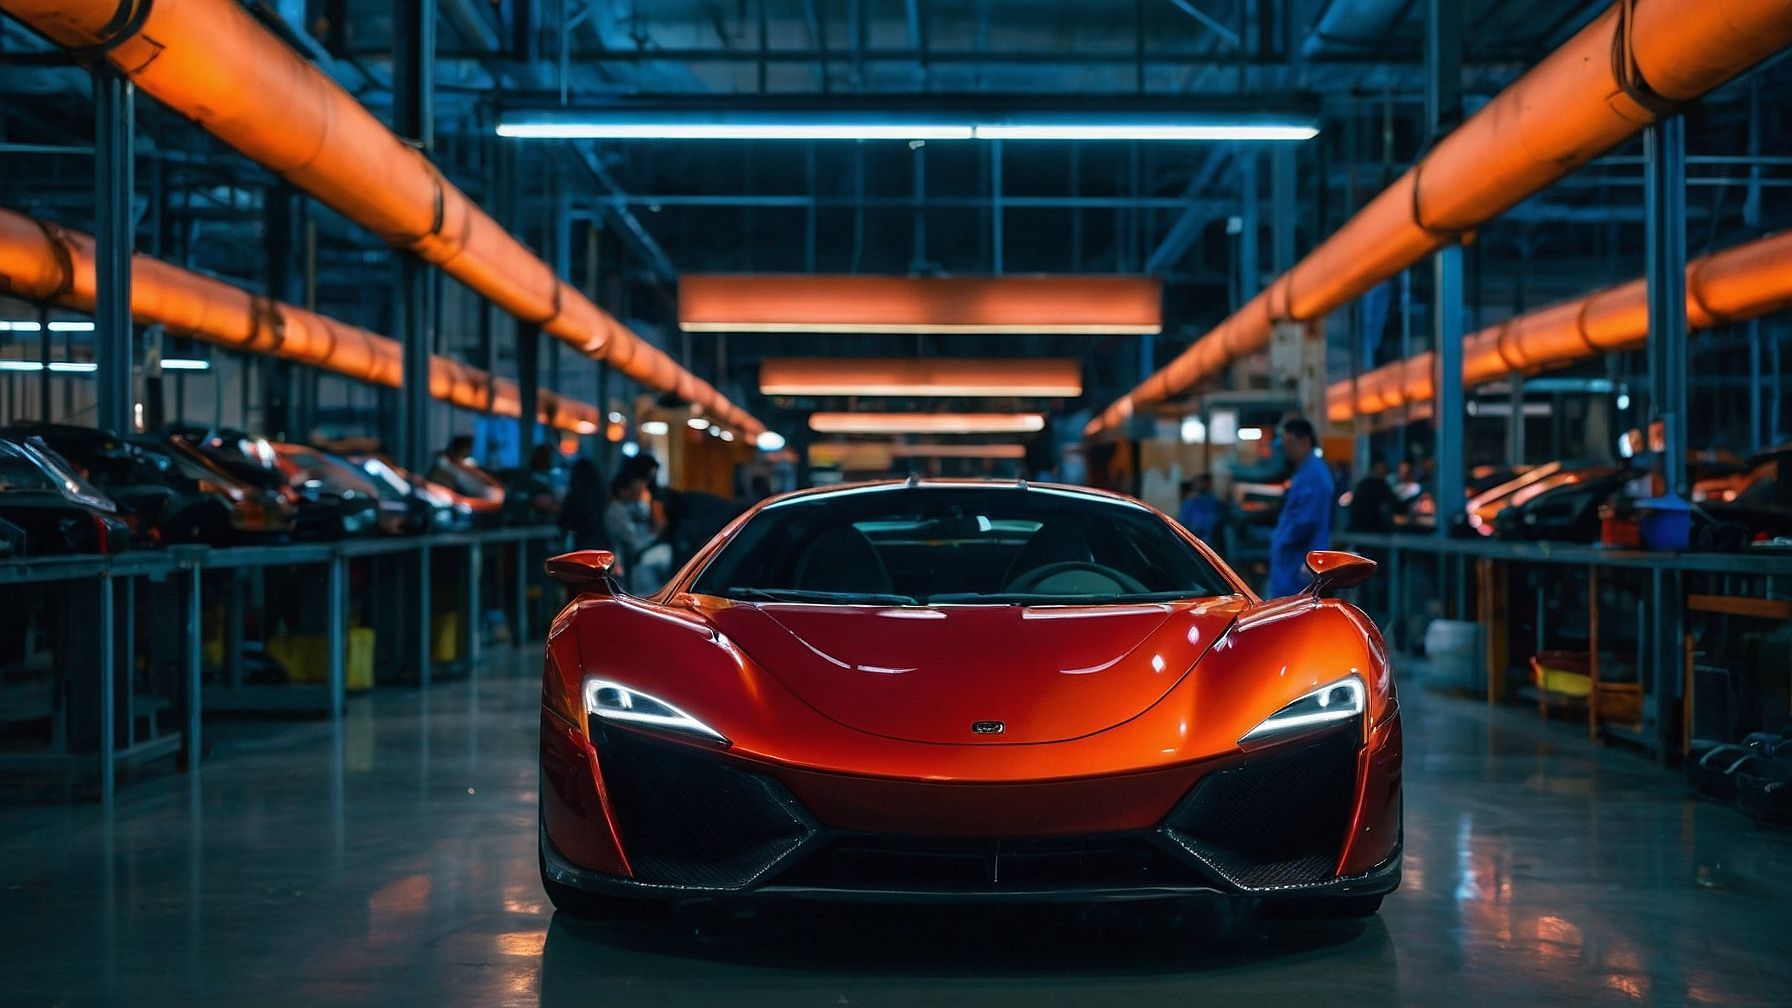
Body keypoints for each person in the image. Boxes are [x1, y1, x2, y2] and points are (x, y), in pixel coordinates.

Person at [1268, 417, 1335, 597]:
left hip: (1300, 561)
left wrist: (1284, 539)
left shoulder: (1313, 475)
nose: (1287, 449)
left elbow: (1306, 520)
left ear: (1305, 441)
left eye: (1291, 443)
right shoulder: (1307, 472)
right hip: (1294, 560)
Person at [605, 473, 673, 594]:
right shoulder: (616, 511)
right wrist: (654, 535)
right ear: (623, 490)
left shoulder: (629, 507)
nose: (637, 492)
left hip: (634, 558)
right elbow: (633, 541)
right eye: (635, 489)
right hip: (629, 560)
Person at [559, 457, 608, 550]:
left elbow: (564, 521)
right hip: (602, 540)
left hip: (582, 542)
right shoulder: (600, 494)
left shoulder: (575, 495)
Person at [429, 435, 495, 499]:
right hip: (484, 493)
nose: (470, 450)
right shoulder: (449, 462)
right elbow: (483, 476)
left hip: (484, 491)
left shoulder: (463, 463)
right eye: (468, 448)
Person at [1347, 458, 1396, 533]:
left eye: (1384, 468)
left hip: (1367, 527)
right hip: (1369, 527)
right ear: (1374, 468)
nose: (1384, 471)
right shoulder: (1369, 485)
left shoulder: (1381, 485)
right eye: (1381, 468)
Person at [1178, 474, 1222, 543]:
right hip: (1192, 541)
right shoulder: (1189, 503)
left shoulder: (1214, 502)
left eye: (1202, 482)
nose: (1200, 484)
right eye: (1198, 482)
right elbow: (1184, 524)